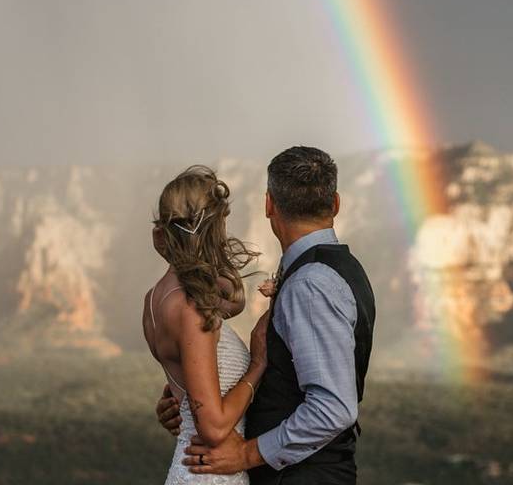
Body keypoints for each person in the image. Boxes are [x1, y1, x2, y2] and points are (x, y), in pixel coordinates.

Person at [156, 146, 376, 484]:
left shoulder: (312, 283)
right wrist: (187, 398)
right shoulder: (329, 270)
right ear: (335, 204)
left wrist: (246, 454)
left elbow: (333, 408)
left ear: (268, 204)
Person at [143, 165, 270, 484]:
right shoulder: (192, 309)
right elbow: (212, 428)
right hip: (209, 473)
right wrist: (257, 364)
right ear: (214, 230)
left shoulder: (154, 301)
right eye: (222, 227)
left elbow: (235, 300)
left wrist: (176, 250)